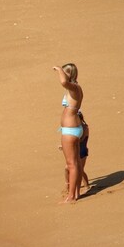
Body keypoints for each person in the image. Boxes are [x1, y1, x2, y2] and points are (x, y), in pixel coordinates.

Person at [54, 63, 84, 202]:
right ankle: (76, 193)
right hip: (73, 128)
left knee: (71, 164)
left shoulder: (74, 88)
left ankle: (71, 196)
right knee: (76, 163)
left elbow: (63, 82)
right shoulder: (75, 88)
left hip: (70, 129)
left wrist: (59, 69)